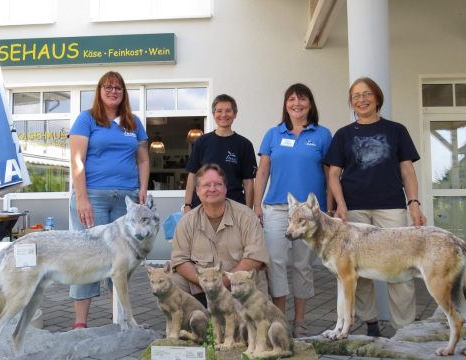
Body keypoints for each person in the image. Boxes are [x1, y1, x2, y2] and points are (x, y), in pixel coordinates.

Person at [324, 76, 426, 337]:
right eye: (356, 95)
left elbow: (407, 169)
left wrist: (413, 203)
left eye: (367, 94)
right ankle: (370, 324)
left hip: (391, 207)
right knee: (359, 270)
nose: (362, 99)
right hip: (355, 210)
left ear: (377, 98)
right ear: (351, 102)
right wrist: (340, 205)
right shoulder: (343, 134)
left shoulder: (396, 130)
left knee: (400, 267)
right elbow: (333, 174)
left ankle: (404, 328)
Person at [68, 70, 149, 329]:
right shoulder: (87, 119)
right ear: (99, 91)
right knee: (87, 258)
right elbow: (77, 160)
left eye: (118, 88)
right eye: (108, 87)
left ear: (124, 93)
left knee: (121, 261)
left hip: (126, 201)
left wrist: (143, 189)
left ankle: (121, 319)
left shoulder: (133, 123)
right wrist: (82, 198)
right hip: (93, 197)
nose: (113, 91)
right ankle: (80, 324)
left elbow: (144, 159)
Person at [253, 83, 332, 338]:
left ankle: (300, 320)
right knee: (275, 262)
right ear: (285, 104)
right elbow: (262, 171)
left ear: (310, 103)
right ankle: (278, 318)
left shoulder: (322, 134)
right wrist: (256, 204)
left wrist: (329, 208)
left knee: (302, 265)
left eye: (302, 99)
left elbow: (330, 174)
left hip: (309, 215)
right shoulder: (273, 134)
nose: (297, 104)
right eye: (291, 99)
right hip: (277, 208)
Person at [171, 163, 269, 303]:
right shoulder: (186, 222)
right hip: (203, 288)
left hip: (240, 288)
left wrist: (224, 282)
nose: (212, 189)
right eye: (206, 185)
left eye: (217, 184)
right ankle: (187, 320)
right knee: (174, 280)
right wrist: (207, 283)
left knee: (256, 275)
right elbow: (180, 261)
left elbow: (255, 258)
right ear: (197, 190)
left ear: (225, 188)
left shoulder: (247, 217)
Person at [183, 94, 257, 212]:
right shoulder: (201, 142)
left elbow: (248, 182)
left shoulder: (244, 144)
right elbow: (192, 175)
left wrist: (248, 211)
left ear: (235, 114)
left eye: (228, 111)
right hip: (203, 207)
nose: (223, 115)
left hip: (234, 208)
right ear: (213, 114)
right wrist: (187, 204)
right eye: (219, 111)